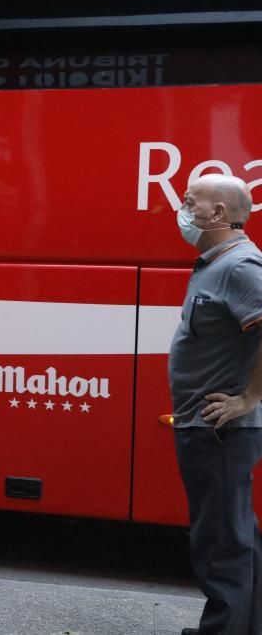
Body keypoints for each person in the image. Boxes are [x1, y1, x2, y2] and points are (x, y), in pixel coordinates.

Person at [169, 173, 262, 635]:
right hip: (207, 426)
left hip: (221, 430)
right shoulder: (215, 262)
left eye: (190, 202)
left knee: (220, 543)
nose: (182, 209)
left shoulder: (241, 266)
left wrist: (249, 397)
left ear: (219, 213)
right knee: (237, 535)